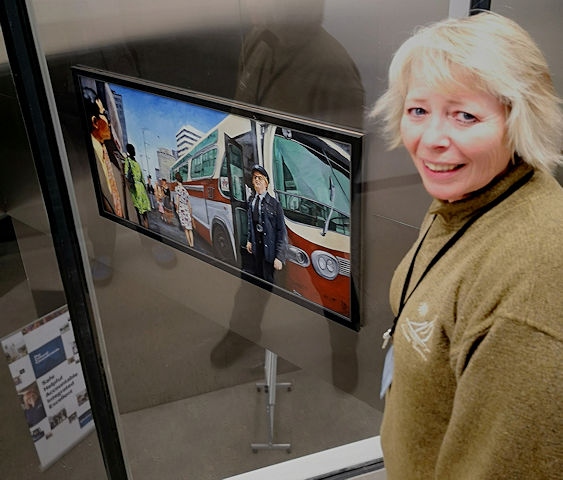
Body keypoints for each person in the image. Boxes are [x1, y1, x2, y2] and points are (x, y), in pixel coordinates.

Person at [370, 12, 563, 479]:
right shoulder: (469, 192)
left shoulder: (529, 288)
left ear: (520, 120)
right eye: (419, 110)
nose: (432, 140)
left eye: (465, 115)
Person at [246, 165, 287, 284]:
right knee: (258, 275)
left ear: (266, 182)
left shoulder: (275, 204)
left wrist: (279, 257)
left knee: (269, 280)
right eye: (254, 178)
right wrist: (249, 240)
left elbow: (282, 231)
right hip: (256, 247)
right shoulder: (252, 201)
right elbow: (251, 222)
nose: (256, 180)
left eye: (259, 177)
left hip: (269, 250)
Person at [124, 143, 151, 228]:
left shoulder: (128, 161)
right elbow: (142, 178)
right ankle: (147, 228)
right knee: (144, 213)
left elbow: (126, 174)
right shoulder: (137, 163)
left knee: (137, 210)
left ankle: (141, 229)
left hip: (135, 187)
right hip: (141, 188)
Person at [174, 172, 194, 247]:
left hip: (182, 209)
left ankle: (189, 244)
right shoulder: (185, 191)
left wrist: (177, 209)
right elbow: (188, 203)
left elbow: (177, 200)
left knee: (185, 229)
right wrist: (190, 212)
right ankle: (192, 244)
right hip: (186, 209)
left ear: (176, 180)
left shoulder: (177, 189)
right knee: (190, 228)